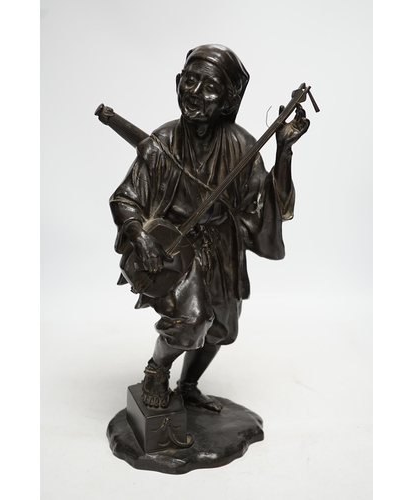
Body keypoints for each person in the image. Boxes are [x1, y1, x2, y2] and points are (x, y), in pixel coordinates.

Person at [109, 44, 310, 411]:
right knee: (192, 320)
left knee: (219, 328)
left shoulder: (241, 145)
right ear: (177, 82)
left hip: (221, 248)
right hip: (174, 252)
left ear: (229, 99)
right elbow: (125, 198)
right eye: (190, 81)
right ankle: (156, 370)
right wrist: (139, 236)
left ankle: (188, 385)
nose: (196, 93)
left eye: (210, 87)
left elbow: (268, 205)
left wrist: (283, 150)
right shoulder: (163, 141)